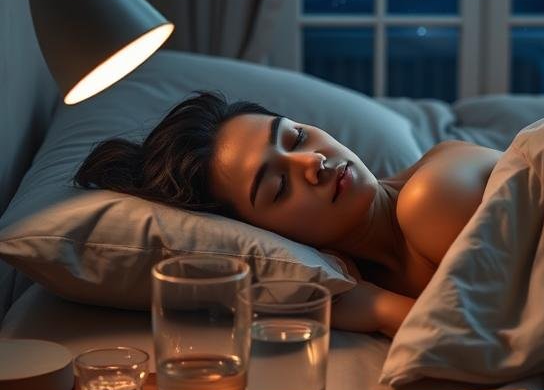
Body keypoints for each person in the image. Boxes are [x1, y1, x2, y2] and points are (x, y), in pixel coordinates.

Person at [74, 92, 503, 338]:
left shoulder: (429, 199)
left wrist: (374, 309)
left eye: (295, 136)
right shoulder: (355, 274)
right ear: (263, 234)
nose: (312, 162)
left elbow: (487, 345)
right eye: (279, 185)